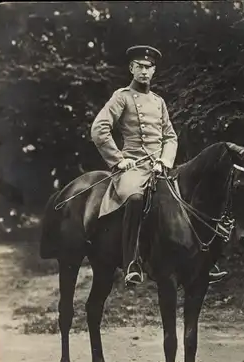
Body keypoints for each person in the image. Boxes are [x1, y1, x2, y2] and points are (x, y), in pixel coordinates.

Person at [91, 45, 227, 286]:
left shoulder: (158, 101)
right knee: (134, 198)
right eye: (140, 66)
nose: (144, 71)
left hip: (159, 167)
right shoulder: (121, 97)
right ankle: (131, 261)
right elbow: (99, 129)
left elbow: (170, 136)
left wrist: (164, 161)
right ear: (131, 68)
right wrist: (119, 159)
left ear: (154, 71)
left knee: (184, 197)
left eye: (149, 67)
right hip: (132, 167)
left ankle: (203, 259)